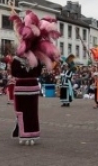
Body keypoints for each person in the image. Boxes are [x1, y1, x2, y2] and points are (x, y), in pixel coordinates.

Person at [9, 8, 61, 145]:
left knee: (21, 111)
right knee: (32, 112)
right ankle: (32, 135)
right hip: (32, 88)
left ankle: (24, 135)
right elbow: (38, 73)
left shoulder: (17, 59)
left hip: (21, 89)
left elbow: (13, 72)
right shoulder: (37, 59)